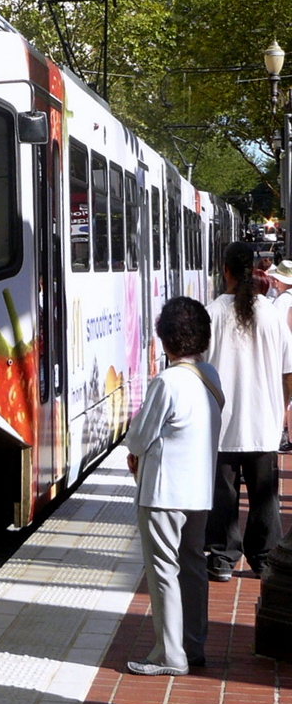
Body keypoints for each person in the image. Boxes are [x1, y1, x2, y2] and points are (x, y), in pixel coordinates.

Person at [124, 296, 223, 677]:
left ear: (165, 340)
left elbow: (139, 438)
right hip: (200, 489)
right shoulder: (209, 376)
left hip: (163, 493)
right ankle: (193, 645)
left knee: (163, 569)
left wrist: (135, 453)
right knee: (194, 567)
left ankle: (170, 653)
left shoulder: (166, 381)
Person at [206, 241, 292, 581]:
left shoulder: (211, 313)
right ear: (254, 270)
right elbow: (289, 372)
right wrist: (282, 406)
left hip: (222, 423)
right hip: (264, 422)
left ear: (225, 270)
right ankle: (264, 557)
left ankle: (223, 558)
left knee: (223, 495)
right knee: (264, 496)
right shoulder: (272, 316)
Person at [267, 258, 292, 451]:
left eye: (277, 279)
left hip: (285, 356)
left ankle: (287, 435)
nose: (274, 283)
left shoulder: (282, 301)